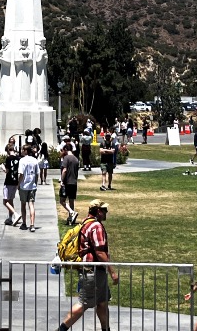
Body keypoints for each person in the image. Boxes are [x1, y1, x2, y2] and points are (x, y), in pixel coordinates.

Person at [56, 199, 119, 331]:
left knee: (102, 303)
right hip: (93, 272)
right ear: (98, 212)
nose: (106, 212)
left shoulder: (86, 223)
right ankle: (61, 329)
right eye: (104, 210)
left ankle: (106, 329)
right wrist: (112, 271)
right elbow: (100, 252)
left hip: (94, 271)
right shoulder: (96, 226)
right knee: (83, 304)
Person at [18, 144, 40, 231]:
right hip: (32, 186)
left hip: (24, 186)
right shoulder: (35, 160)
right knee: (31, 204)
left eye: (23, 150)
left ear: (26, 151)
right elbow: (37, 173)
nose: (22, 151)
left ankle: (24, 223)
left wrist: (18, 184)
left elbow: (21, 174)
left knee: (23, 204)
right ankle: (32, 224)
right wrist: (35, 183)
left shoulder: (22, 161)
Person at [59, 142, 80, 225]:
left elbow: (64, 170)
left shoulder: (66, 158)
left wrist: (61, 180)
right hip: (74, 182)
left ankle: (72, 212)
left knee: (62, 201)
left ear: (65, 149)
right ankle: (71, 219)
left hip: (67, 182)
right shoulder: (76, 159)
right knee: (71, 201)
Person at [1, 142, 22, 226]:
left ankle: (15, 214)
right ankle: (10, 218)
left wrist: (2, 167)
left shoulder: (8, 158)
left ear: (8, 150)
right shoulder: (18, 158)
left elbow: (7, 171)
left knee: (5, 201)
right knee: (11, 200)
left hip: (8, 181)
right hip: (15, 181)